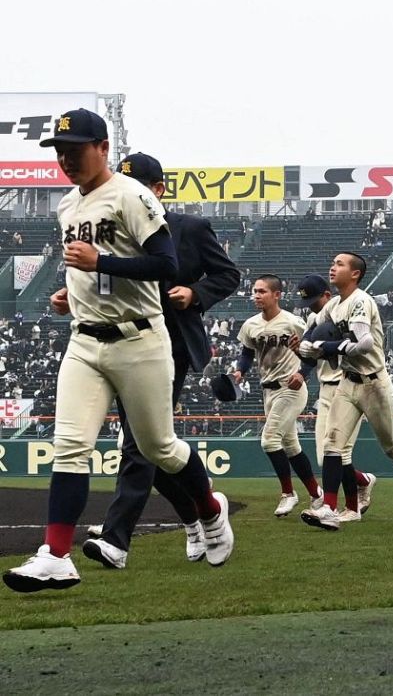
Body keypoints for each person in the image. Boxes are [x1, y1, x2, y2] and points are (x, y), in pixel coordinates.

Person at [5, 110, 234, 593]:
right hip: (85, 341)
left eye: (77, 148)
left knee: (159, 448)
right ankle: (56, 555)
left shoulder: (133, 195)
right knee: (70, 447)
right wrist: (72, 290)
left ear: (103, 147)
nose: (67, 158)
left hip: (140, 340)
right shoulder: (68, 205)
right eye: (60, 150)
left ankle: (211, 510)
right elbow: (89, 268)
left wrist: (100, 260)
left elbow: (165, 264)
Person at [80, 152, 239, 571]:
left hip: (169, 344)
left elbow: (229, 275)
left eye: (139, 187)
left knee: (139, 444)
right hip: (120, 343)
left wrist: (195, 294)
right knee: (153, 444)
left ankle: (116, 538)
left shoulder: (190, 228)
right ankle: (198, 515)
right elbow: (103, 281)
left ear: (159, 190)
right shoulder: (110, 230)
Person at [298, 252, 393, 530]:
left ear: (355, 274)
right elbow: (314, 328)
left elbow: (364, 343)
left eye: (339, 264)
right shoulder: (335, 304)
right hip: (348, 382)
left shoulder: (361, 301)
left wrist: (328, 348)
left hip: (374, 383)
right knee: (331, 445)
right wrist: (305, 344)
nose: (332, 266)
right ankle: (328, 508)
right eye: (333, 262)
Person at [234, 275, 321, 517]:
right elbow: (247, 353)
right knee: (291, 445)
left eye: (262, 291)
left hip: (290, 388)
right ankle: (316, 494)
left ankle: (288, 493)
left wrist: (303, 374)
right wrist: (240, 370)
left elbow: (312, 352)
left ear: (277, 295)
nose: (256, 295)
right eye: (254, 291)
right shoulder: (250, 324)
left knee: (269, 441)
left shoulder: (293, 322)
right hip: (268, 390)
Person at [296, 274, 376, 521]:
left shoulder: (349, 314)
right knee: (325, 456)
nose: (311, 307)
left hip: (349, 385)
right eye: (307, 302)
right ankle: (363, 480)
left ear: (327, 296)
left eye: (314, 301)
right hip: (325, 389)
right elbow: (309, 353)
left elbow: (361, 344)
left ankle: (350, 508)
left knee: (341, 452)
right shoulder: (314, 319)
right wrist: (301, 367)